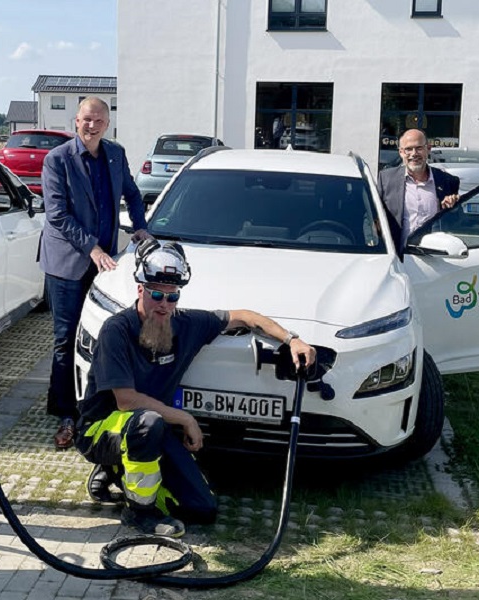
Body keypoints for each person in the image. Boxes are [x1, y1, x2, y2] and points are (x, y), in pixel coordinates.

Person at [75, 240, 316, 537]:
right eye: (155, 295)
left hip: (153, 428)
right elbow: (126, 401)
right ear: (140, 289)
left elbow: (245, 316)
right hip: (101, 429)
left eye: (171, 296)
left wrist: (292, 339)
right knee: (146, 423)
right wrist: (186, 418)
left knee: (202, 509)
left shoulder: (187, 323)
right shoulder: (117, 329)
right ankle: (140, 512)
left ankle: (123, 473)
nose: (163, 305)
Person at [39, 96, 151, 450]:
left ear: (107, 123)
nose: (93, 125)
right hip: (68, 264)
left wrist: (141, 227)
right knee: (66, 338)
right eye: (87, 119)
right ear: (76, 121)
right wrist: (93, 248)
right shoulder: (57, 159)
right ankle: (65, 412)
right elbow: (56, 215)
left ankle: (95, 403)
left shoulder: (115, 154)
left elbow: (133, 194)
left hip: (105, 264)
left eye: (99, 120)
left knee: (101, 336)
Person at [377, 128, 461, 250]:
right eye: (408, 149)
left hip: (433, 258)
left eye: (419, 148)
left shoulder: (448, 181)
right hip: (398, 258)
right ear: (401, 152)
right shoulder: (386, 179)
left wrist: (453, 208)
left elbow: (457, 224)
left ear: (428, 149)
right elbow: (371, 217)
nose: (414, 154)